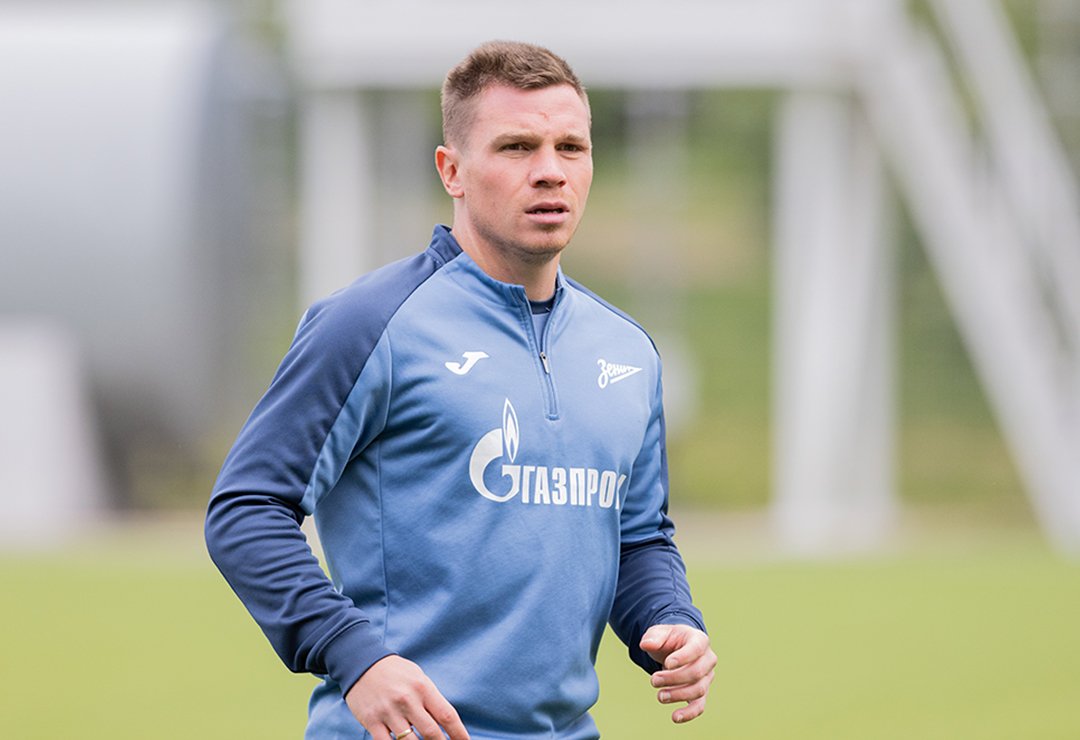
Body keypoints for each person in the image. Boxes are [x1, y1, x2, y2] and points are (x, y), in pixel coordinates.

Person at [206, 40, 716, 739]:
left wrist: (668, 618)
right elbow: (247, 509)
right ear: (452, 170)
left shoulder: (627, 349)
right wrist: (356, 656)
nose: (550, 171)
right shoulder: (369, 324)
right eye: (516, 147)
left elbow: (638, 537)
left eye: (571, 148)